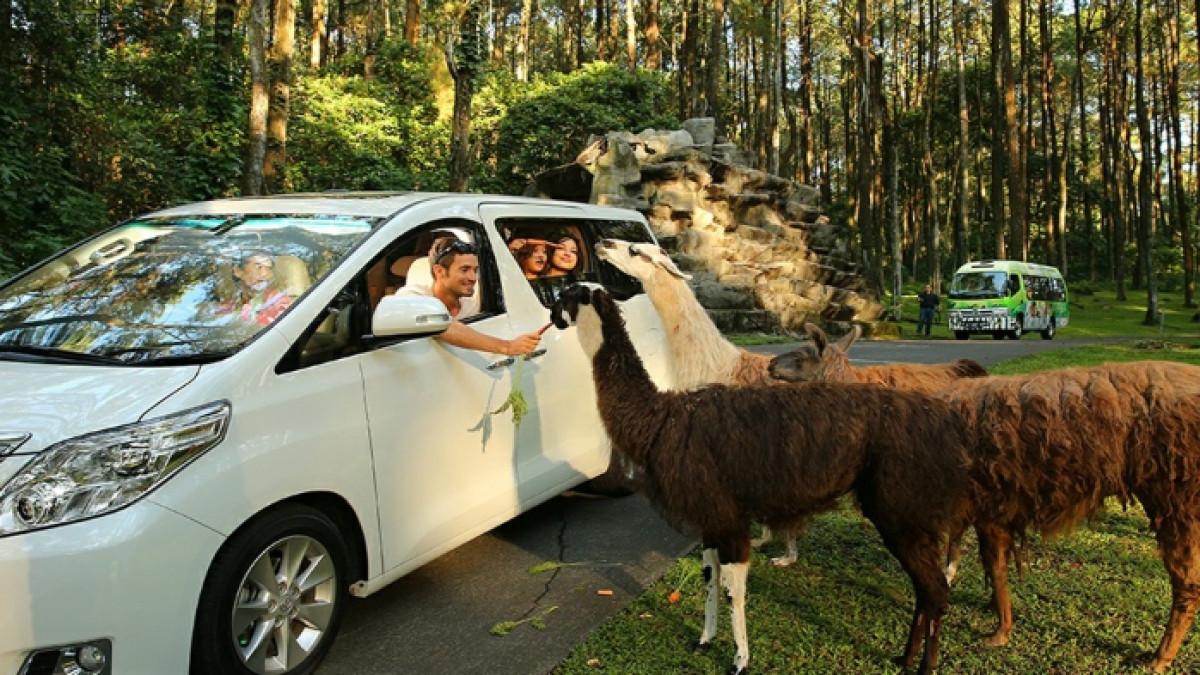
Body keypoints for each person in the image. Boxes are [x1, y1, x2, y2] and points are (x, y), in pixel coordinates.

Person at [396, 236, 541, 356]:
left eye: (475, 270)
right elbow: (443, 325)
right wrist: (507, 347)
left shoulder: (473, 306)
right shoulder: (413, 296)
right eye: (464, 270)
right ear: (439, 271)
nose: (473, 278)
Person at [217, 253, 293, 326]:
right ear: (238, 271)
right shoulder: (231, 302)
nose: (265, 273)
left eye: (269, 268)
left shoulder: (278, 300)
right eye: (259, 267)